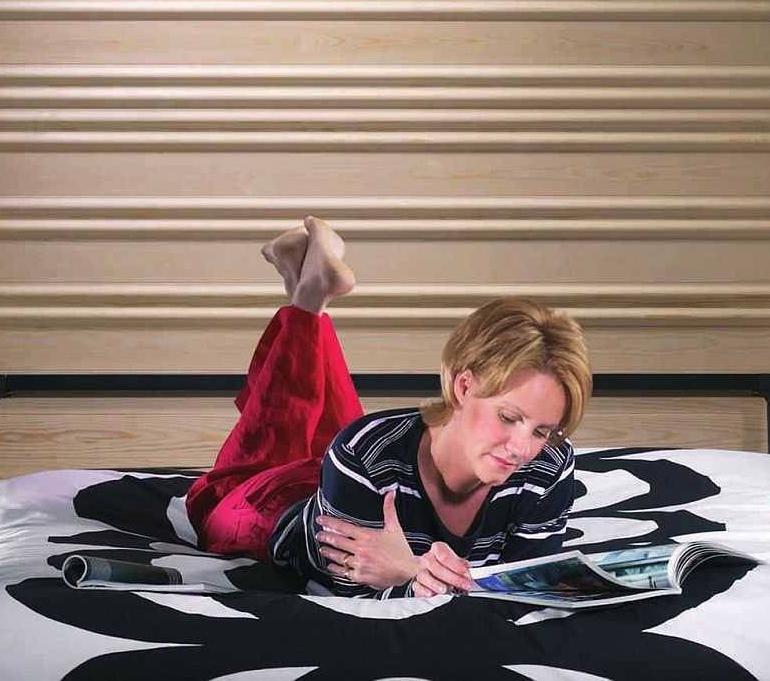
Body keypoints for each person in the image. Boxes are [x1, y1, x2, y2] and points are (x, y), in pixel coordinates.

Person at [185, 216, 592, 599]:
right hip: (280, 504)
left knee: (338, 427)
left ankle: (308, 290)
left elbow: (527, 588)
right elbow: (347, 595)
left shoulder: (549, 463)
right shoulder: (365, 451)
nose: (522, 449)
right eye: (508, 417)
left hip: (353, 481)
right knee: (234, 479)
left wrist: (408, 572)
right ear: (464, 385)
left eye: (542, 430)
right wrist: (416, 578)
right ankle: (307, 294)